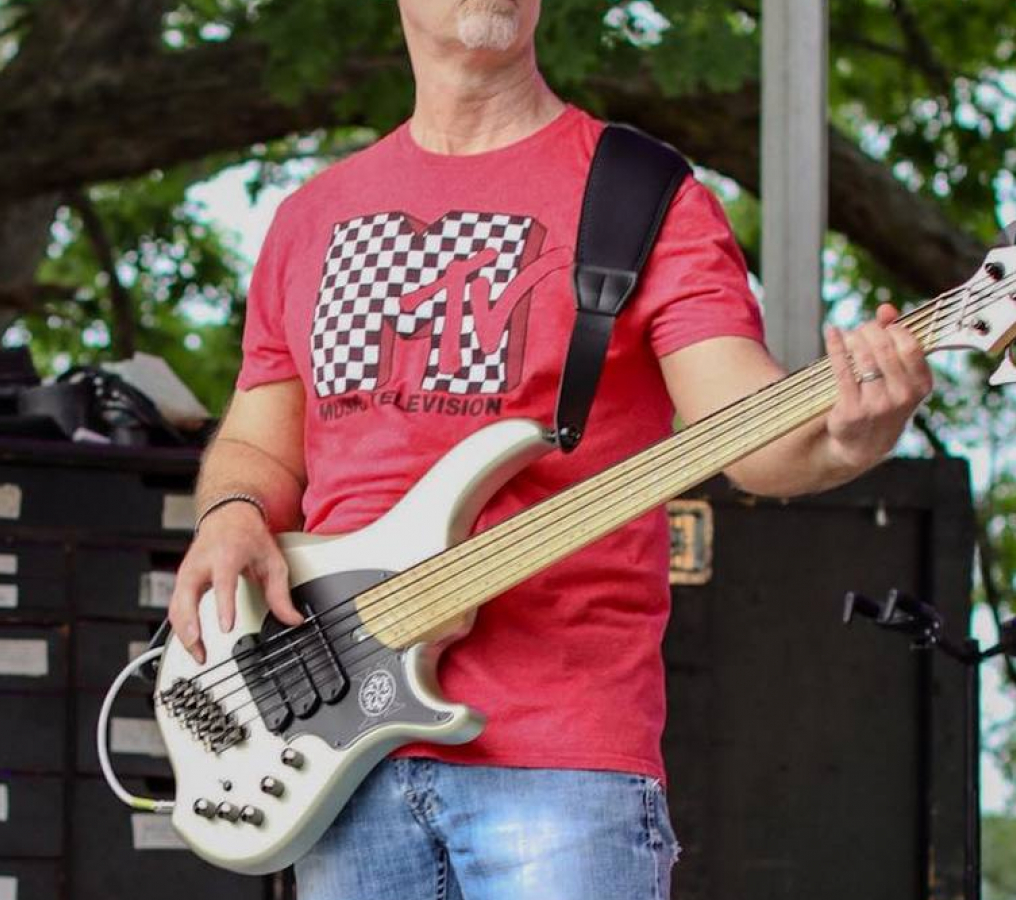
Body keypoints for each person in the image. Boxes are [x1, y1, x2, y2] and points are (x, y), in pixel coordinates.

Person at [165, 0, 932, 896]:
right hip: (333, 750)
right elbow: (260, 444)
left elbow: (750, 435)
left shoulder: (642, 196)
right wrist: (228, 515)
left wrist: (849, 437)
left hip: (561, 757)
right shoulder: (312, 216)